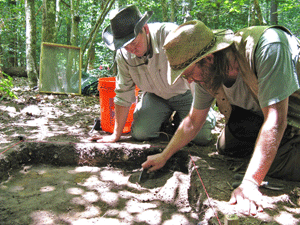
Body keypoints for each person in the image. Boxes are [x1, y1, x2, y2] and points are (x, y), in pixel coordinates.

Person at [142, 20, 300, 215]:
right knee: (227, 147)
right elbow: (193, 121)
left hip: (292, 117)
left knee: (272, 165)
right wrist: (164, 155)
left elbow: (276, 120)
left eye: (189, 73)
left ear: (208, 58)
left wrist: (250, 183)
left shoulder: (269, 46)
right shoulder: (208, 73)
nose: (189, 81)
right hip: (260, 116)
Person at [93, 5, 216, 144]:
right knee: (140, 133)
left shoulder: (171, 36)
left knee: (201, 137)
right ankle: (164, 121)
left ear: (145, 29)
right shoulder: (123, 54)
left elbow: (196, 74)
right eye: (125, 46)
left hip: (186, 93)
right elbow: (123, 93)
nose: (131, 49)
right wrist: (116, 134)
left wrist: (199, 110)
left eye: (134, 43)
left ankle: (188, 118)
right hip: (155, 97)